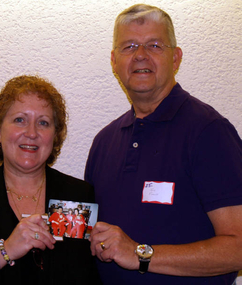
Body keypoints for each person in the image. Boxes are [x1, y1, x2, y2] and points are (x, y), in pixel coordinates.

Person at [85, 4, 242, 285]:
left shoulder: (209, 132)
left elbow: (238, 246)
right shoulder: (103, 143)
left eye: (154, 45)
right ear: (113, 61)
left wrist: (140, 254)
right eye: (129, 46)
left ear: (176, 57)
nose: (140, 55)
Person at [0, 75, 101, 284]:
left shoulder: (78, 195)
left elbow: (87, 274)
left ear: (54, 136)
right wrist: (5, 251)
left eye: (43, 123)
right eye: (20, 120)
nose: (31, 133)